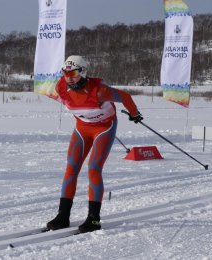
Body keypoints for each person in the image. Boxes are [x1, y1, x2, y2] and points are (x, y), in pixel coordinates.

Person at [47, 55, 143, 233]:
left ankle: (93, 218)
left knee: (93, 167)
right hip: (82, 129)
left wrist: (134, 113)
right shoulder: (61, 86)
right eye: (65, 72)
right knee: (71, 167)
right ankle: (63, 215)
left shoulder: (100, 91)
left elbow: (125, 97)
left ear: (83, 73)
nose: (68, 77)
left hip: (103, 129)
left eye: (73, 73)